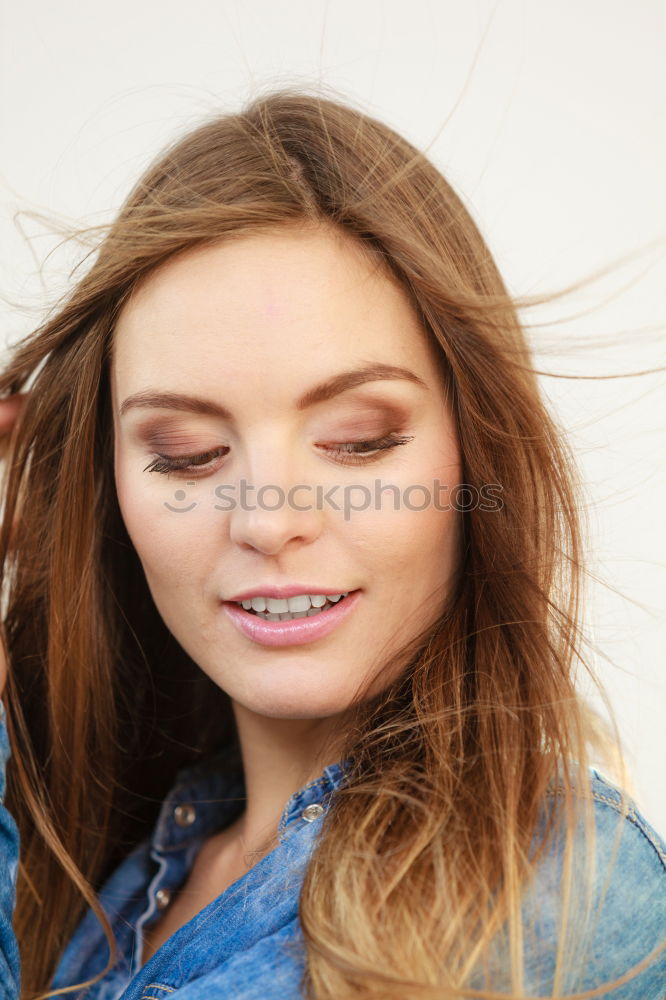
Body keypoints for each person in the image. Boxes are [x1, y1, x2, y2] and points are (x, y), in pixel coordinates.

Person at [0, 90, 663, 1000]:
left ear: (476, 452)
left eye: (359, 440)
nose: (269, 520)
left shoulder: (551, 885)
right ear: (110, 484)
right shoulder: (115, 867)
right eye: (186, 455)